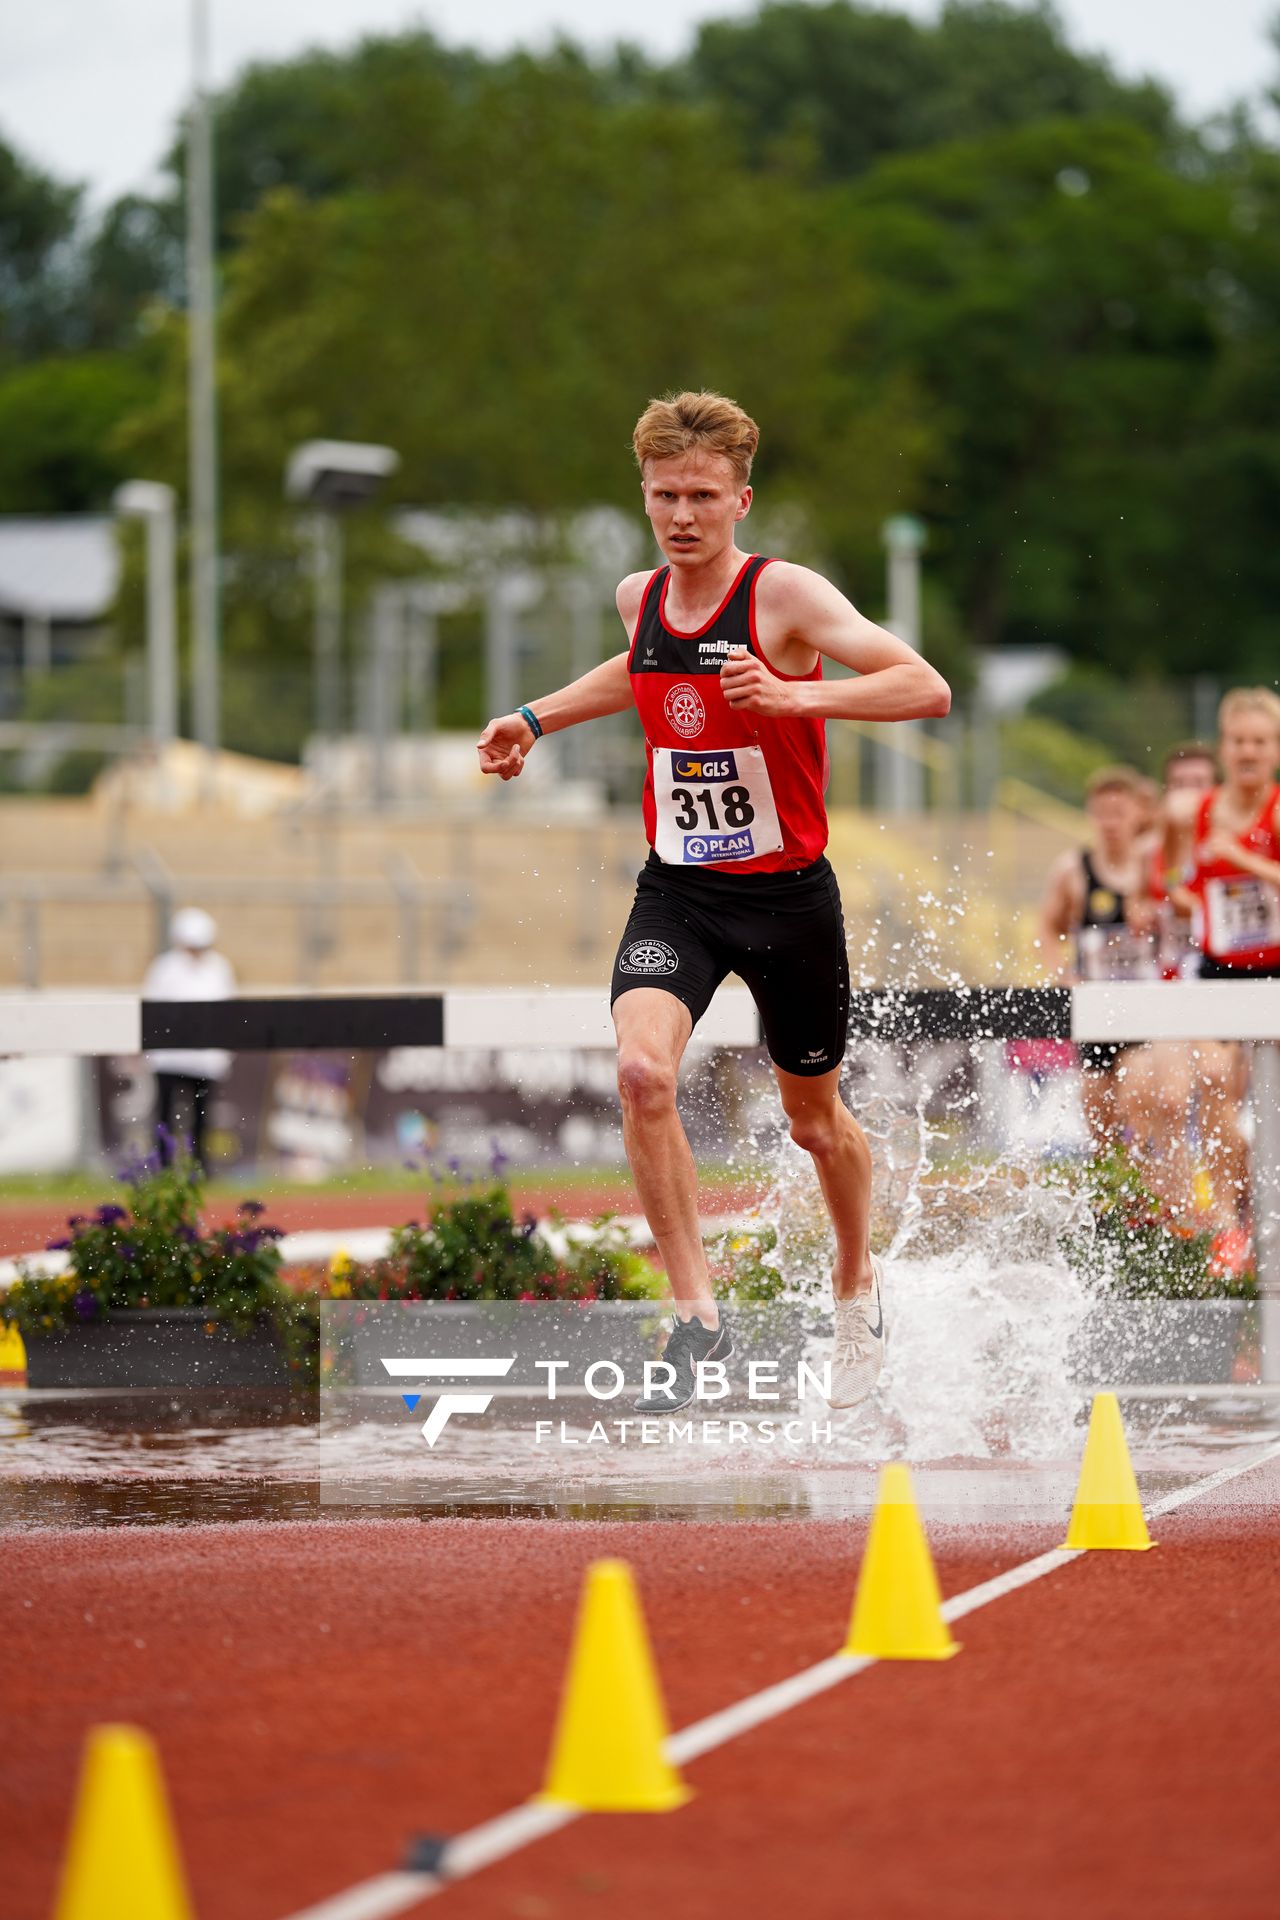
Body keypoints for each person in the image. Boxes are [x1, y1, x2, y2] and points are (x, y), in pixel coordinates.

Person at [476, 389, 950, 1412]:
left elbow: (923, 687)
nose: (680, 514)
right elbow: (640, 672)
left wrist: (797, 694)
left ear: (741, 499)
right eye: (661, 496)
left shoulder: (785, 599)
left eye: (699, 495)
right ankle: (696, 1315)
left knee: (813, 1123)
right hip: (679, 891)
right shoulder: (637, 599)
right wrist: (533, 716)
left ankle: (855, 1280)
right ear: (644, 500)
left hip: (787, 900)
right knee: (642, 1072)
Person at [1038, 766, 1157, 1154]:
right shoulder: (1073, 870)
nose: (1110, 823)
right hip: (1096, 1007)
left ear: (1137, 814)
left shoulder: (1152, 866)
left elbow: (1185, 916)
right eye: (1102, 813)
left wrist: (1155, 915)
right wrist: (1062, 973)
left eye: (1119, 813)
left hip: (1144, 1005)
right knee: (1099, 1113)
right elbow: (1047, 928)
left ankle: (1146, 1202)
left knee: (1139, 1100)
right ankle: (1110, 1201)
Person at [142, 907, 234, 1174]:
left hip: (205, 1058)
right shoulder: (164, 968)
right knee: (165, 1116)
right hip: (170, 1057)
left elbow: (226, 1011)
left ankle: (201, 1168)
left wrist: (222, 1053)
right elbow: (153, 1010)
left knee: (202, 1117)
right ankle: (163, 1167)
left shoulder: (219, 968)